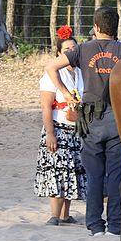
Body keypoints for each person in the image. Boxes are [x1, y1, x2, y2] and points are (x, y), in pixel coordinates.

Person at [45, 7, 121, 237]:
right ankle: (115, 225)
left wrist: (65, 94)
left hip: (91, 120)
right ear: (116, 26)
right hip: (117, 118)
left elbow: (51, 67)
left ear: (96, 27)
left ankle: (95, 225)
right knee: (115, 176)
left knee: (94, 175)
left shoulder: (83, 49)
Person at [34, 26, 86, 226]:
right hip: (58, 128)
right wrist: (50, 133)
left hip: (76, 129)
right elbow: (46, 106)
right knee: (58, 171)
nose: (71, 52)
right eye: (67, 50)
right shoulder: (51, 76)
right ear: (58, 53)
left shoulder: (81, 73)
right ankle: (54, 215)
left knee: (72, 170)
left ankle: (65, 215)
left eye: (74, 49)